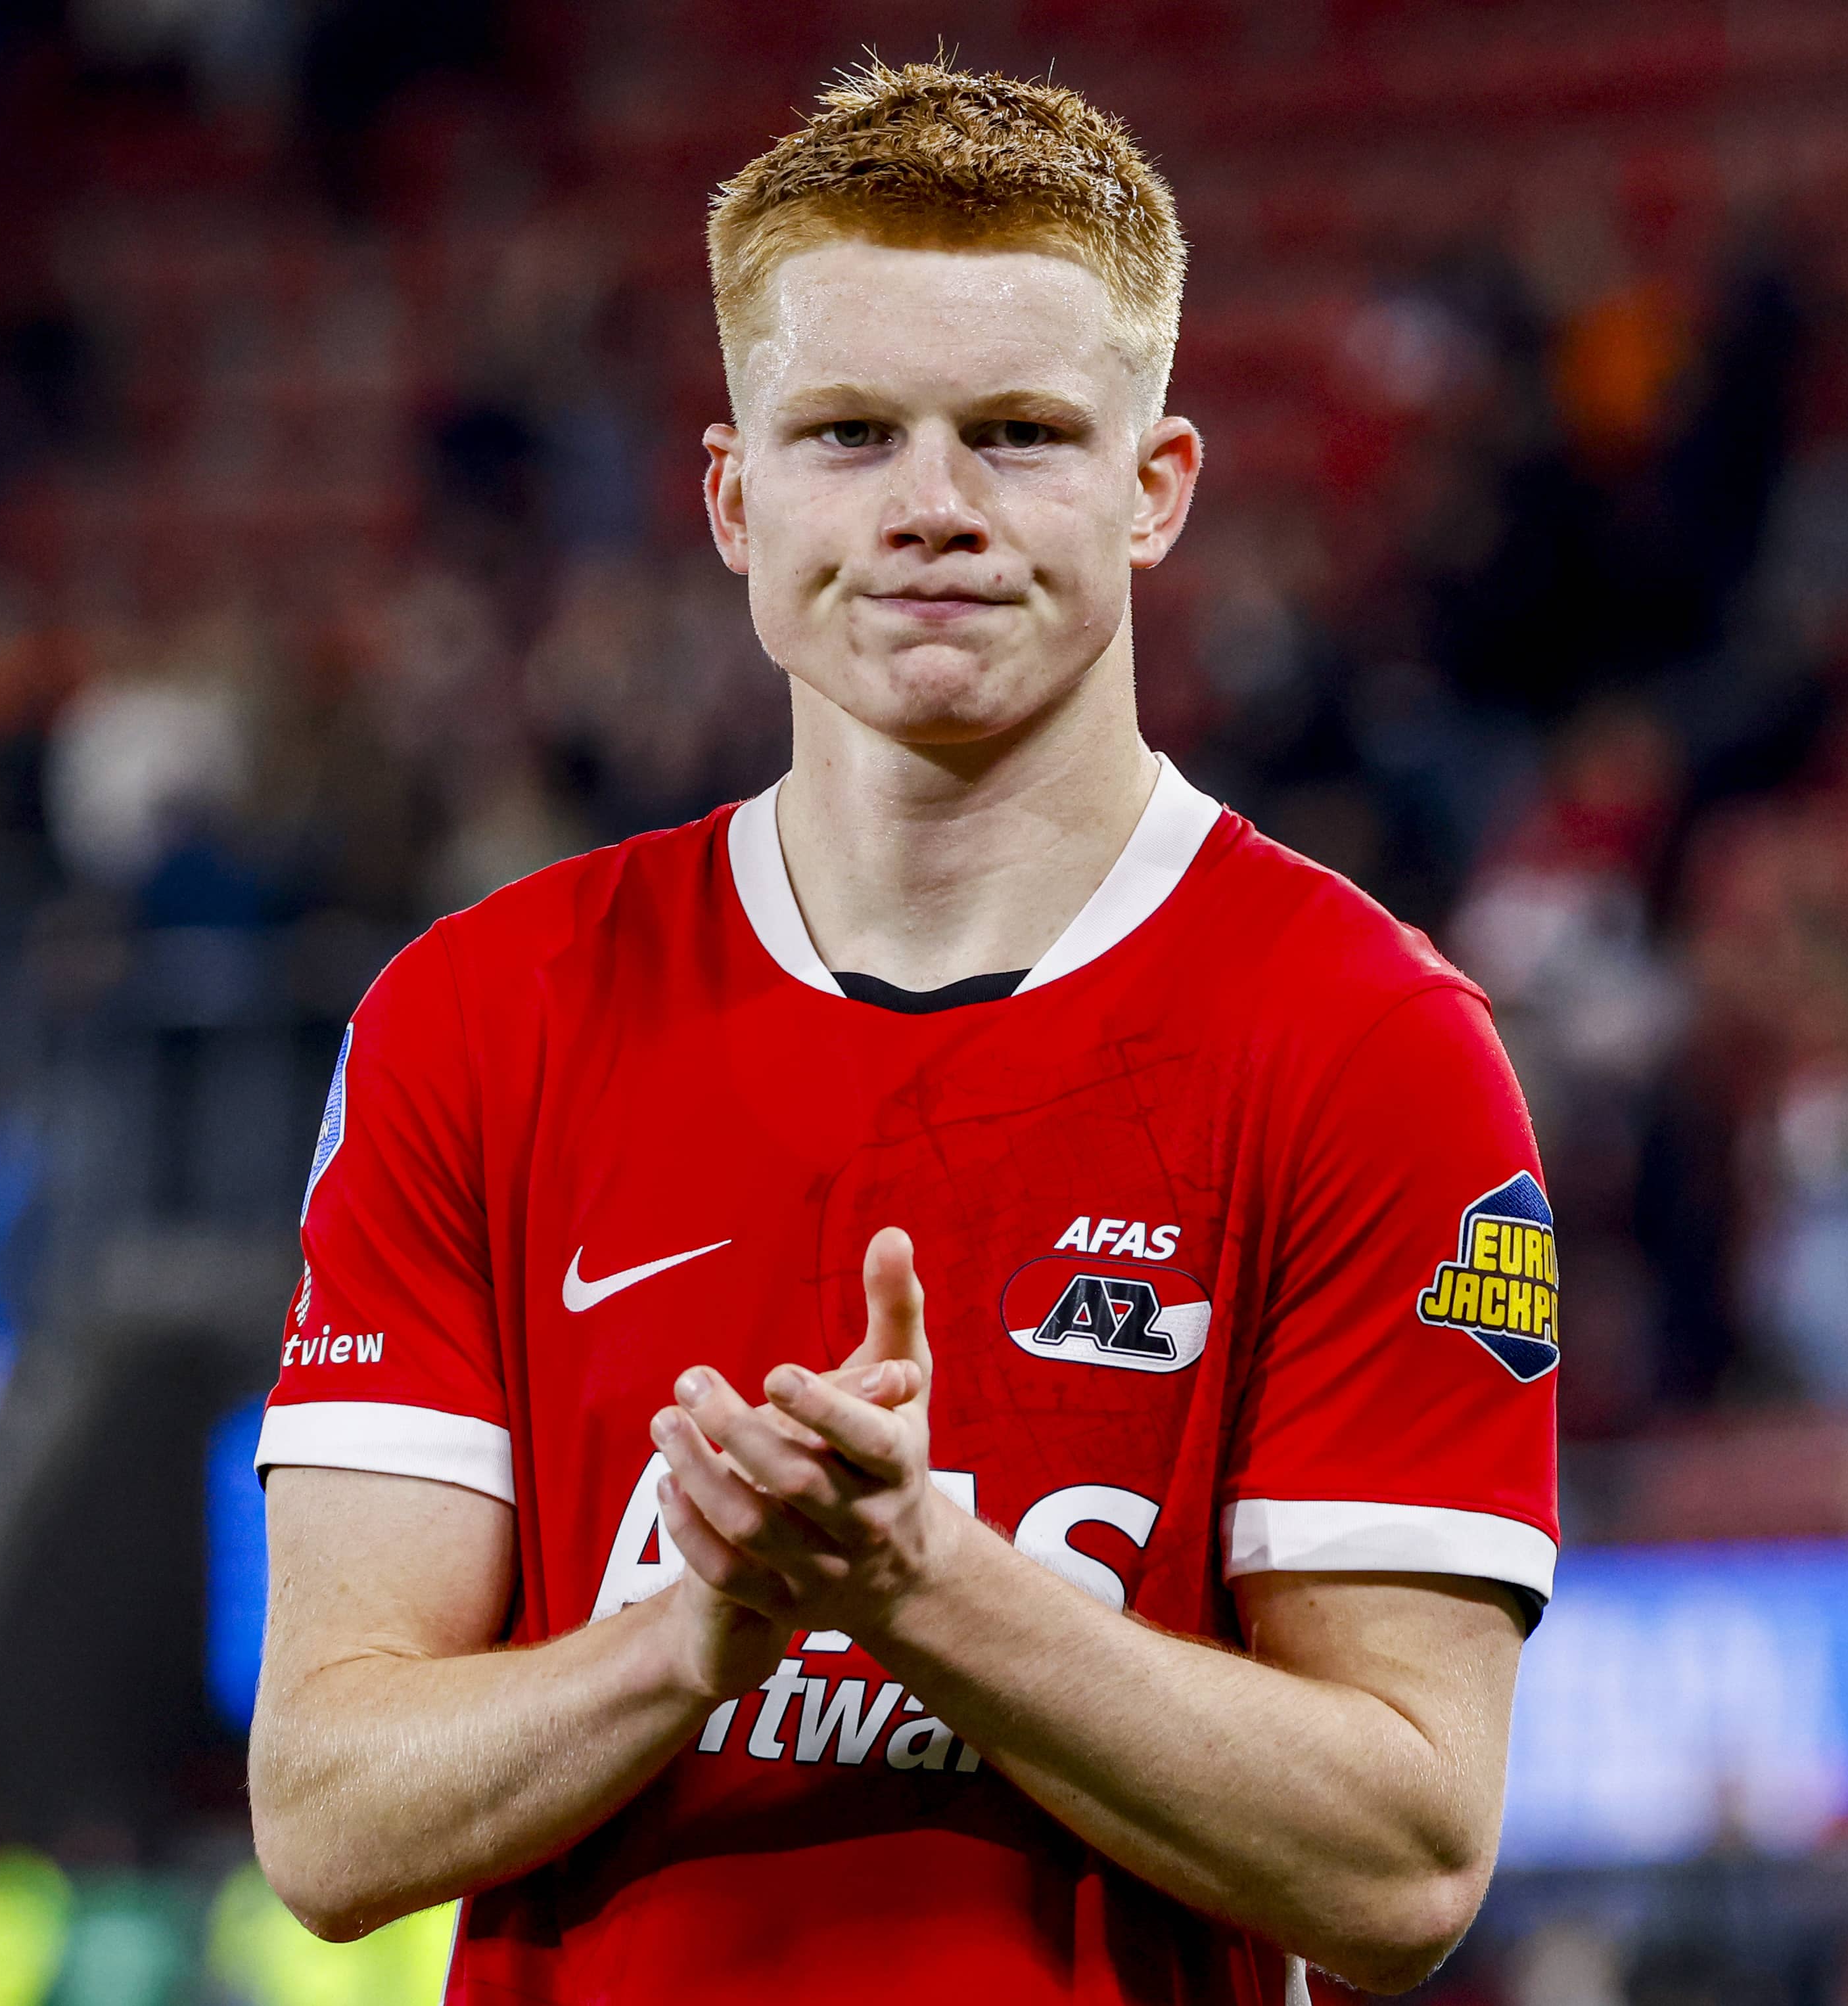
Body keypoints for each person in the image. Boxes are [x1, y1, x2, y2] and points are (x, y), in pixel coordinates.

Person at [245, 62, 1559, 2005]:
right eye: (848, 433)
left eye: (1018, 434)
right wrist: (697, 1628)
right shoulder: (479, 1020)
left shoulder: (1366, 1047)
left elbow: (1403, 1862)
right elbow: (329, 1819)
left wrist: (922, 1587)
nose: (931, 509)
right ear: (729, 494)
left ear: (1154, 488)